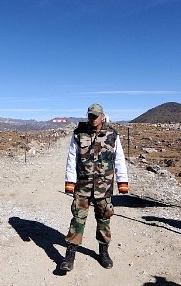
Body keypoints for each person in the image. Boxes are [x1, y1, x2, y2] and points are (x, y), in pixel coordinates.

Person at [60, 103, 129, 271]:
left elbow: (119, 158)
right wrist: (70, 182)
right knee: (77, 219)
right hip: (83, 185)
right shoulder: (79, 134)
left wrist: (122, 182)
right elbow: (72, 158)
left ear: (103, 116)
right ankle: (70, 256)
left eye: (96, 116)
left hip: (104, 186)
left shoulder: (112, 134)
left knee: (104, 219)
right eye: (90, 115)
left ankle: (103, 252)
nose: (92, 118)